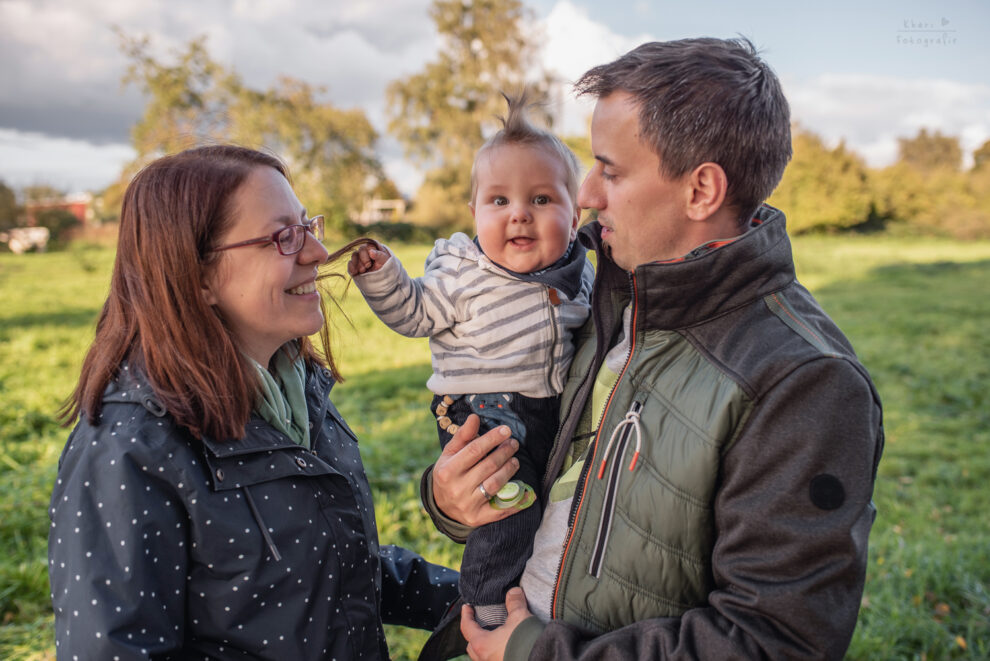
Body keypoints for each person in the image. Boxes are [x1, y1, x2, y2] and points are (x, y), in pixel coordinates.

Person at [420, 38, 885, 660]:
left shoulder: (805, 385)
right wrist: (452, 499)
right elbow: (544, 474)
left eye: (610, 170)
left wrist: (538, 653)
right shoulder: (598, 297)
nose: (585, 192)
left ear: (701, 191)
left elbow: (775, 641)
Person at [48, 145, 460, 659]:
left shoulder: (297, 391)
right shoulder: (129, 449)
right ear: (197, 276)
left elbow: (335, 566)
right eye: (282, 237)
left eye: (308, 226)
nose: (315, 252)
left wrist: (473, 605)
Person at [348, 93, 595, 629]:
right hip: (485, 411)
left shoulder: (582, 276)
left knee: (550, 506)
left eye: (542, 200)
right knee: (508, 507)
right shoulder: (463, 272)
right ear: (474, 213)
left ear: (575, 213)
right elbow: (415, 312)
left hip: (548, 408)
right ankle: (485, 606)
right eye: (499, 201)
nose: (520, 215)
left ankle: (535, 595)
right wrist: (381, 275)